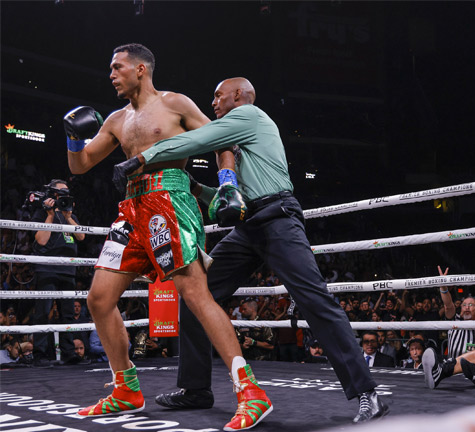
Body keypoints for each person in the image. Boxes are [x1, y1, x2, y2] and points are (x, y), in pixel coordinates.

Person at [114, 77, 388, 423]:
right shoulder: (239, 142)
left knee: (315, 300)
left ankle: (368, 393)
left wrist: (142, 158)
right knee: (198, 294)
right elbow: (230, 200)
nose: (213, 101)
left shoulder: (249, 116)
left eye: (218, 95)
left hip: (278, 218)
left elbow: (197, 139)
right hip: (249, 227)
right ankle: (196, 389)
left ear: (240, 95)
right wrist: (196, 186)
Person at [66, 44, 271, 430]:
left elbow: (221, 139)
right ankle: (125, 389)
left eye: (117, 67)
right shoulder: (114, 120)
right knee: (98, 299)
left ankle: (250, 392)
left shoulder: (175, 103)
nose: (111, 74)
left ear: (140, 69)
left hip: (170, 197)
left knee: (194, 293)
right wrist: (73, 138)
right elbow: (81, 166)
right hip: (131, 208)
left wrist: (228, 184)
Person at [31, 179, 85, 366]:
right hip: (47, 267)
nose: (65, 195)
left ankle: (69, 353)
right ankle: (40, 354)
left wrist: (68, 216)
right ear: (53, 194)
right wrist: (49, 215)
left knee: (67, 314)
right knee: (43, 312)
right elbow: (42, 241)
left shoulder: (71, 214)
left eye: (67, 192)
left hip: (67, 270)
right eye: (61, 192)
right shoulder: (41, 212)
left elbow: (81, 236)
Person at [422, 267, 475, 388]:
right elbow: (449, 306)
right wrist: (443, 287)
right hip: (453, 375)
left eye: (471, 305)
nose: (467, 307)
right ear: (460, 310)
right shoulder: (455, 323)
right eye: (464, 305)